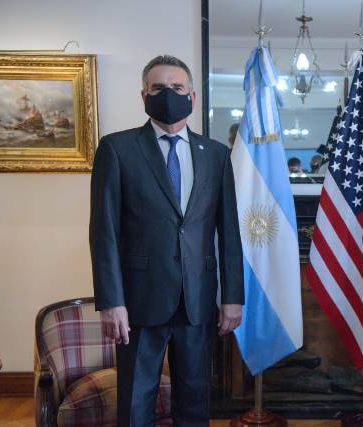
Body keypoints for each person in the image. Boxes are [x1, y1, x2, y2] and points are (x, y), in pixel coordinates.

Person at [89, 54, 244, 426]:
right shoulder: (117, 149)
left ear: (192, 96)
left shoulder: (216, 155)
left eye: (177, 87)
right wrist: (111, 301)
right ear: (144, 94)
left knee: (195, 401)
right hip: (138, 302)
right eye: (158, 88)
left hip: (197, 301)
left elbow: (229, 233)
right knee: (136, 402)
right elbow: (103, 231)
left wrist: (232, 297)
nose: (168, 95)